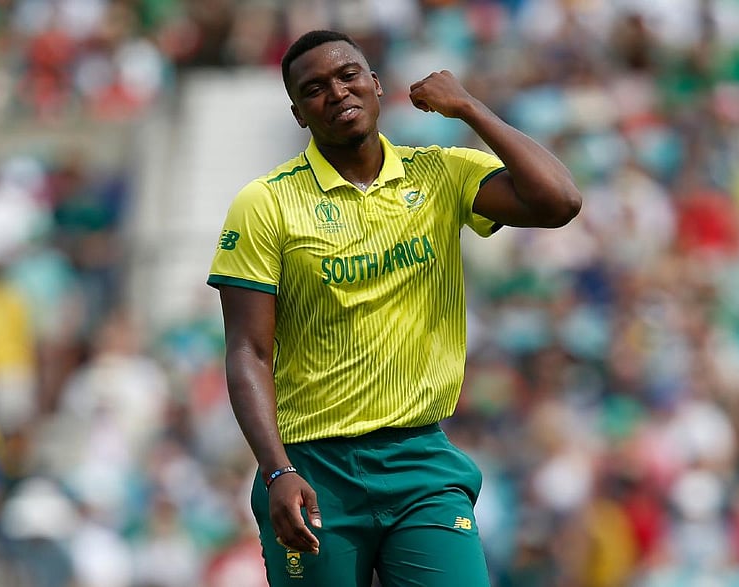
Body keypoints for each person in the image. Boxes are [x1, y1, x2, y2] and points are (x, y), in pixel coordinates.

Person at [206, 29, 581, 587]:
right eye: (314, 89)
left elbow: (560, 201)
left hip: (419, 461)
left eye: (348, 75)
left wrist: (470, 108)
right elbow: (248, 350)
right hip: (314, 467)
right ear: (299, 114)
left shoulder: (440, 174)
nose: (335, 92)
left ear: (377, 85)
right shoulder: (266, 203)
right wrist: (276, 468)